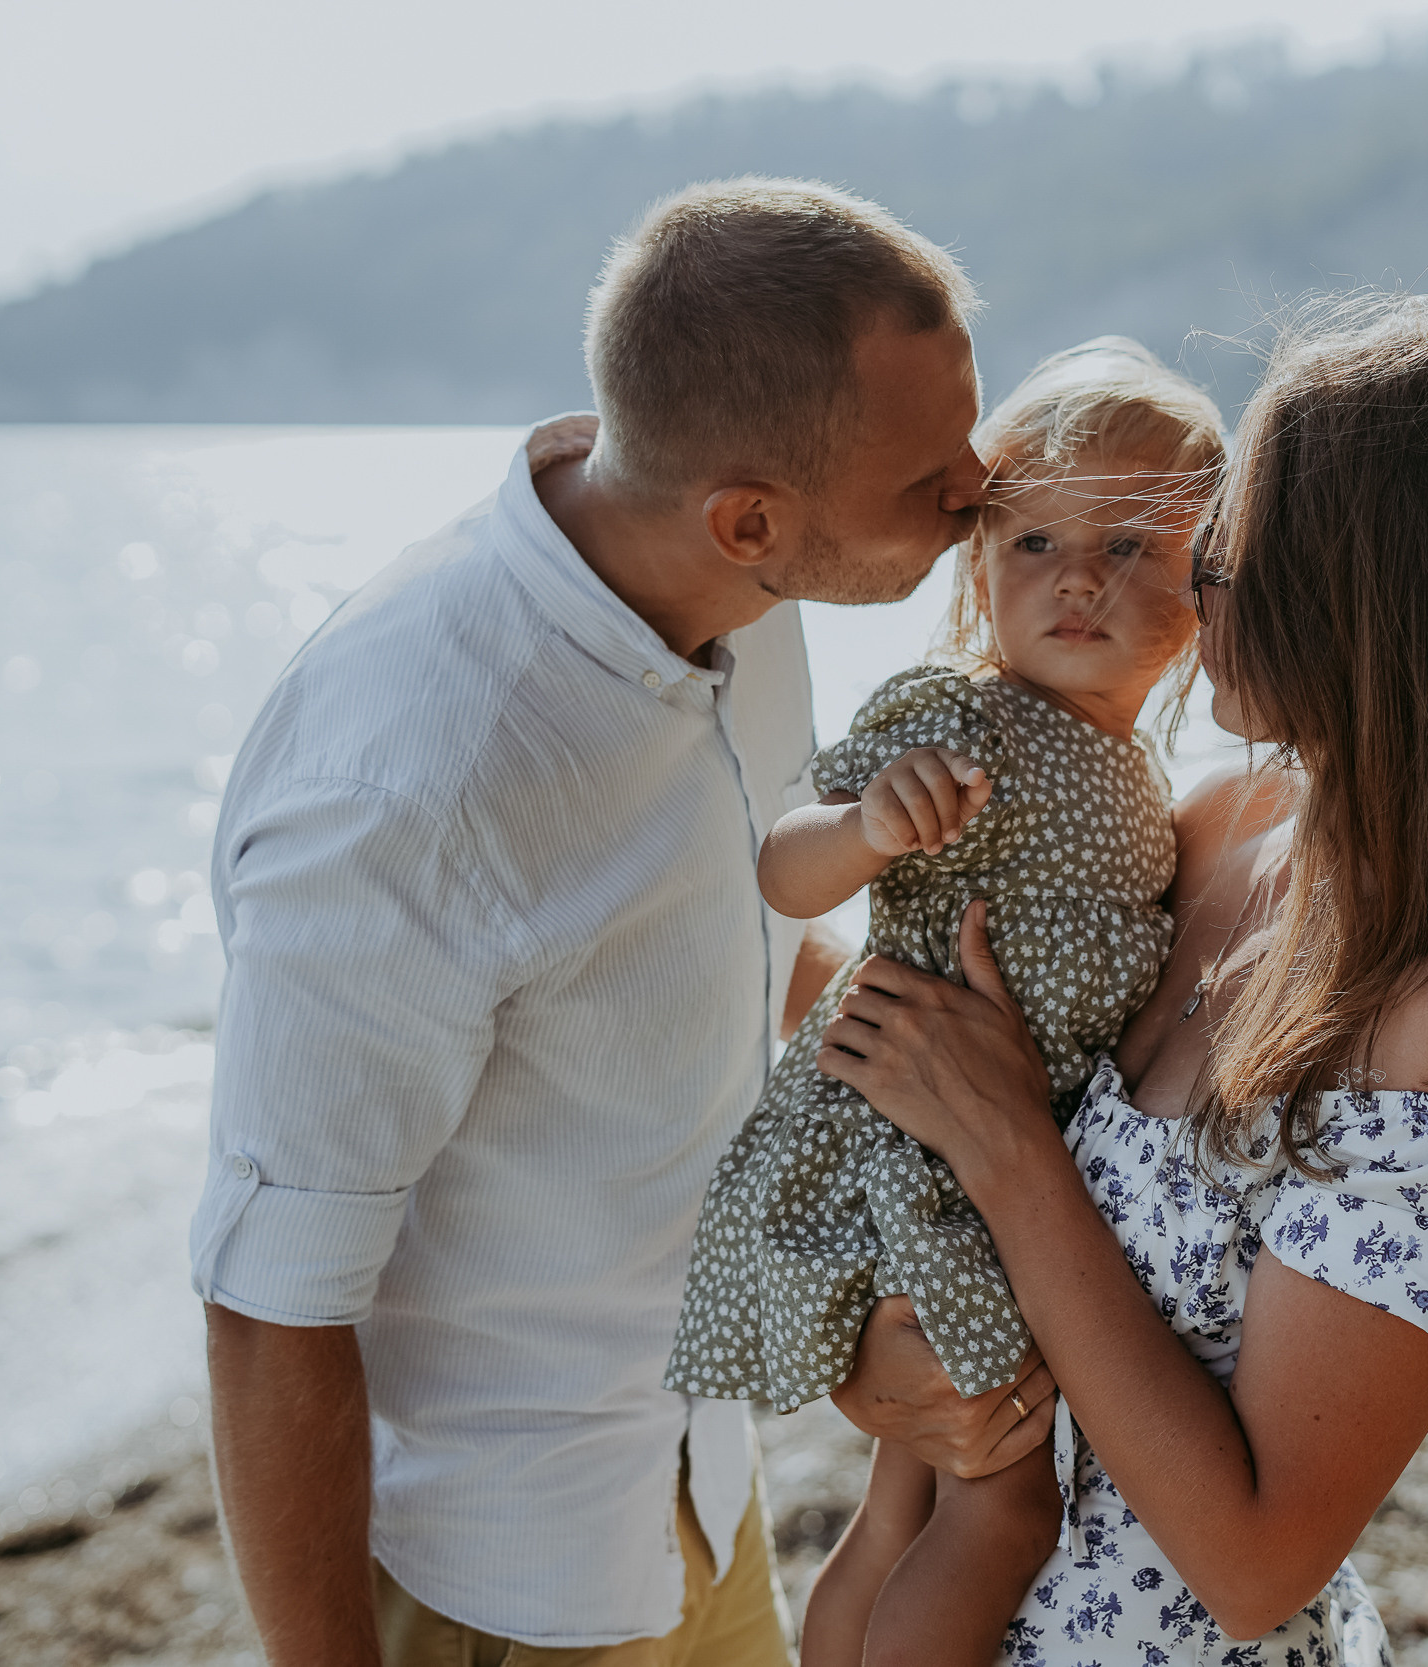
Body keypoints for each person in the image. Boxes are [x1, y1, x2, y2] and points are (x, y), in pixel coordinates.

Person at [810, 294, 1428, 1660]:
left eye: (1229, 550)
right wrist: (888, 1378)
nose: (1194, 584)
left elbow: (1256, 1560)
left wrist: (1009, 1150)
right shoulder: (1213, 828)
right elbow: (945, 1145)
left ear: (1375, 609)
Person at [188, 177, 1023, 1667]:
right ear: (750, 516)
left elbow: (723, 969)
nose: (984, 488)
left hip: (697, 1498)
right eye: (931, 478)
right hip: (494, 1587)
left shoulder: (735, 592)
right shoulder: (410, 783)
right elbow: (269, 1309)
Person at [665, 338, 1226, 1665]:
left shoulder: (1134, 771)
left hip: (976, 1158)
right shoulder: (969, 722)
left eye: (1132, 547)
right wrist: (869, 826)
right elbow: (784, 866)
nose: (1079, 578)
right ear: (979, 561)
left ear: (1212, 583)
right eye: (1036, 543)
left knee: (909, 1493)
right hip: (913, 1158)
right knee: (1003, 1499)